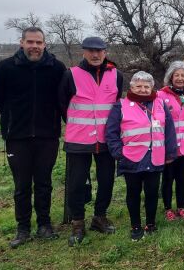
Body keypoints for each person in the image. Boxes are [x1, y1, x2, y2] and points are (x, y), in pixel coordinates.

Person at [0, 27, 66, 248]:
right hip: (17, 136)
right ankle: (22, 228)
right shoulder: (6, 68)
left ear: (45, 44)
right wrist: (14, 119)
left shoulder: (56, 68)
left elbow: (62, 99)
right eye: (30, 42)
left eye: (39, 42)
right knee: (22, 185)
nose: (34, 46)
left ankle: (44, 224)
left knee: (44, 183)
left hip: (47, 135)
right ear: (21, 42)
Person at [58, 36, 123, 246]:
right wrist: (79, 126)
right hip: (79, 139)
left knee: (106, 181)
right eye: (90, 51)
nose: (95, 55)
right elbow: (62, 105)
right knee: (76, 183)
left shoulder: (116, 75)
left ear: (105, 52)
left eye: (99, 51)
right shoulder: (71, 75)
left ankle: (99, 217)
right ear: (83, 52)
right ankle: (78, 223)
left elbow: (116, 106)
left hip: (106, 139)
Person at [105, 71, 178, 241]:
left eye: (147, 86)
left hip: (156, 157)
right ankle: (136, 225)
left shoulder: (160, 104)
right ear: (131, 87)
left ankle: (150, 223)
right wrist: (118, 153)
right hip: (132, 158)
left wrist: (170, 152)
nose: (143, 89)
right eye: (139, 86)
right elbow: (111, 133)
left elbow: (169, 131)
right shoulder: (120, 106)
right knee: (133, 193)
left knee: (152, 192)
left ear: (152, 87)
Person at [157, 61, 184, 222]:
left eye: (183, 75)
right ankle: (168, 208)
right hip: (169, 146)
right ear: (171, 77)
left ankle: (181, 206)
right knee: (168, 178)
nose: (180, 78)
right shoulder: (161, 95)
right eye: (177, 75)